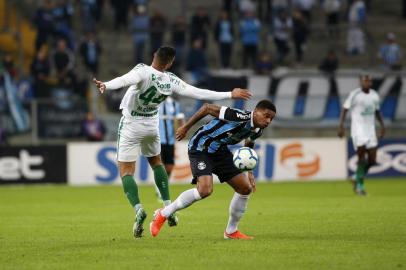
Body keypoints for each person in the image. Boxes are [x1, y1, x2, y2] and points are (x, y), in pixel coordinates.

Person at [92, 46, 251, 238]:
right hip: (151, 126)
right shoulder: (171, 80)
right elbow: (198, 92)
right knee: (157, 163)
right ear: (170, 63)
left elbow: (126, 80)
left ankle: (138, 210)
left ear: (154, 56)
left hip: (131, 124)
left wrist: (106, 85)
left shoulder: (142, 70)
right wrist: (229, 94)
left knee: (126, 171)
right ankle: (167, 206)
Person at [150, 100, 276, 239]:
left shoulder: (258, 130)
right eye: (266, 115)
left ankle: (231, 231)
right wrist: (186, 127)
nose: (268, 120)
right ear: (256, 111)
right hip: (200, 147)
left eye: (271, 118)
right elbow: (207, 108)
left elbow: (249, 143)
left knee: (245, 188)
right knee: (205, 190)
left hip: (220, 151)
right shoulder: (238, 116)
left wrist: (249, 171)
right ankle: (163, 214)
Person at [338, 73, 385, 196]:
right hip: (358, 130)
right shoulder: (355, 94)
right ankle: (360, 186)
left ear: (371, 82)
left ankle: (356, 177)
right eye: (365, 81)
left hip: (370, 130)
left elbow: (377, 111)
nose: (367, 83)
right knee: (361, 158)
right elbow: (345, 109)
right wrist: (341, 126)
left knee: (372, 160)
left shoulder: (375, 95)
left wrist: (383, 126)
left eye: (369, 81)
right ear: (361, 82)